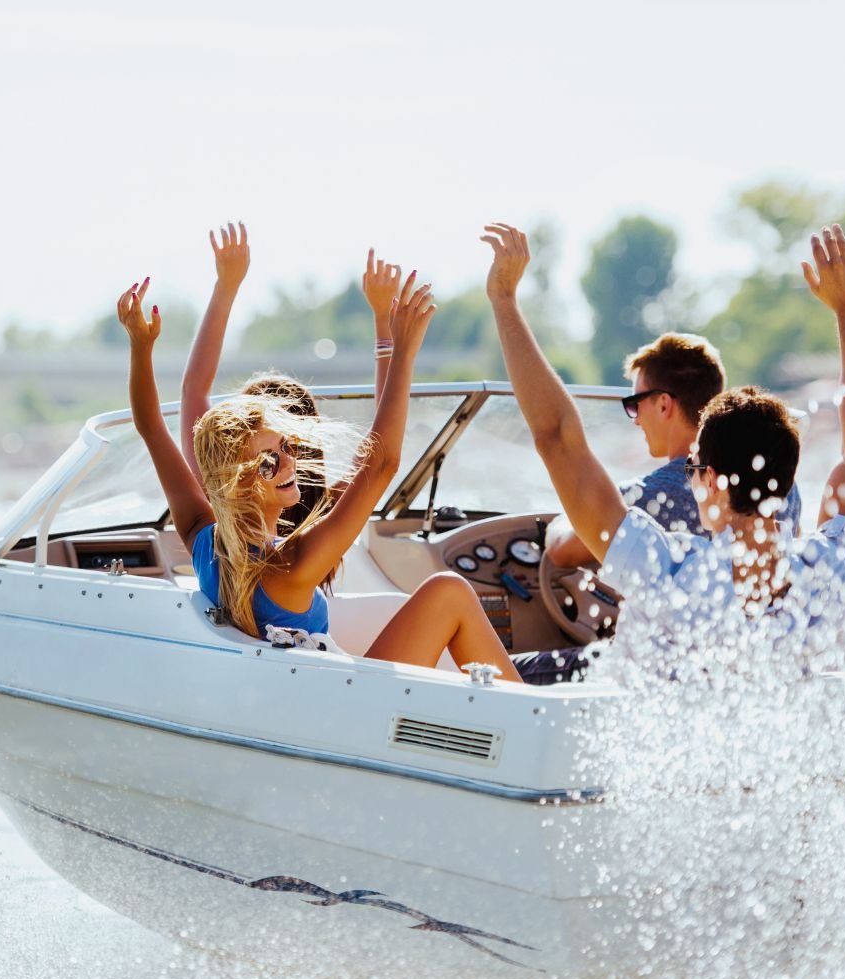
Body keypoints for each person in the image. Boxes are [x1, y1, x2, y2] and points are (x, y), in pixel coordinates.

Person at [482, 221, 845, 674]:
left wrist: (504, 300)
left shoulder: (669, 571)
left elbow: (556, 437)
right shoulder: (828, 567)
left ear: (710, 479)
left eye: (692, 468)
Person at [118, 263, 522, 682]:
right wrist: (401, 350)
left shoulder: (206, 544)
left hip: (309, 701)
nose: (290, 463)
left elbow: (151, 427)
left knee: (448, 594)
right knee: (449, 592)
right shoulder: (292, 563)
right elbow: (380, 464)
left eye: (288, 447)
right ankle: (531, 724)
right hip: (349, 712)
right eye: (270, 461)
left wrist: (140, 348)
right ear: (240, 482)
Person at [180, 223, 403, 537]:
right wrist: (383, 322)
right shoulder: (325, 523)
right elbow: (382, 448)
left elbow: (193, 389)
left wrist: (227, 285)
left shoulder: (221, 509)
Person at [544, 331, 802, 568]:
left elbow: (561, 551)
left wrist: (563, 519)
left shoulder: (646, 497)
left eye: (635, 403)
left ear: (664, 404)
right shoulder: (782, 485)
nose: (635, 419)